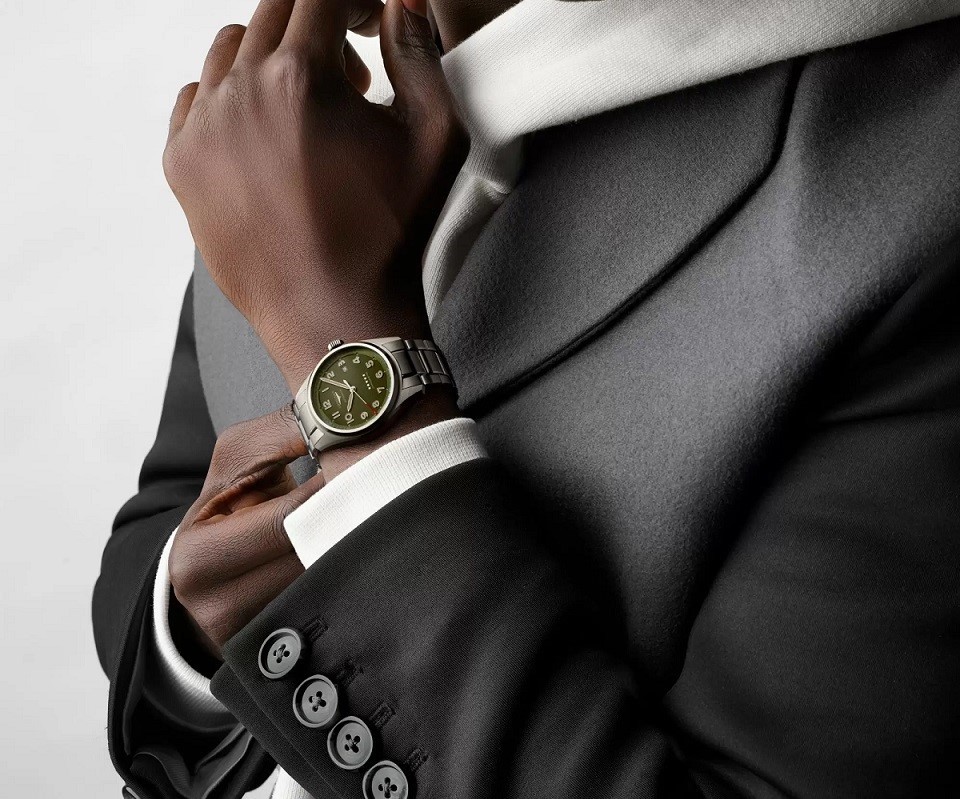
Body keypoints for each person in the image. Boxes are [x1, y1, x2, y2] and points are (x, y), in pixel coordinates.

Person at [93, 1, 960, 797]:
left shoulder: (916, 189)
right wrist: (189, 636)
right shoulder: (291, 112)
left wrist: (362, 384)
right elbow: (165, 517)